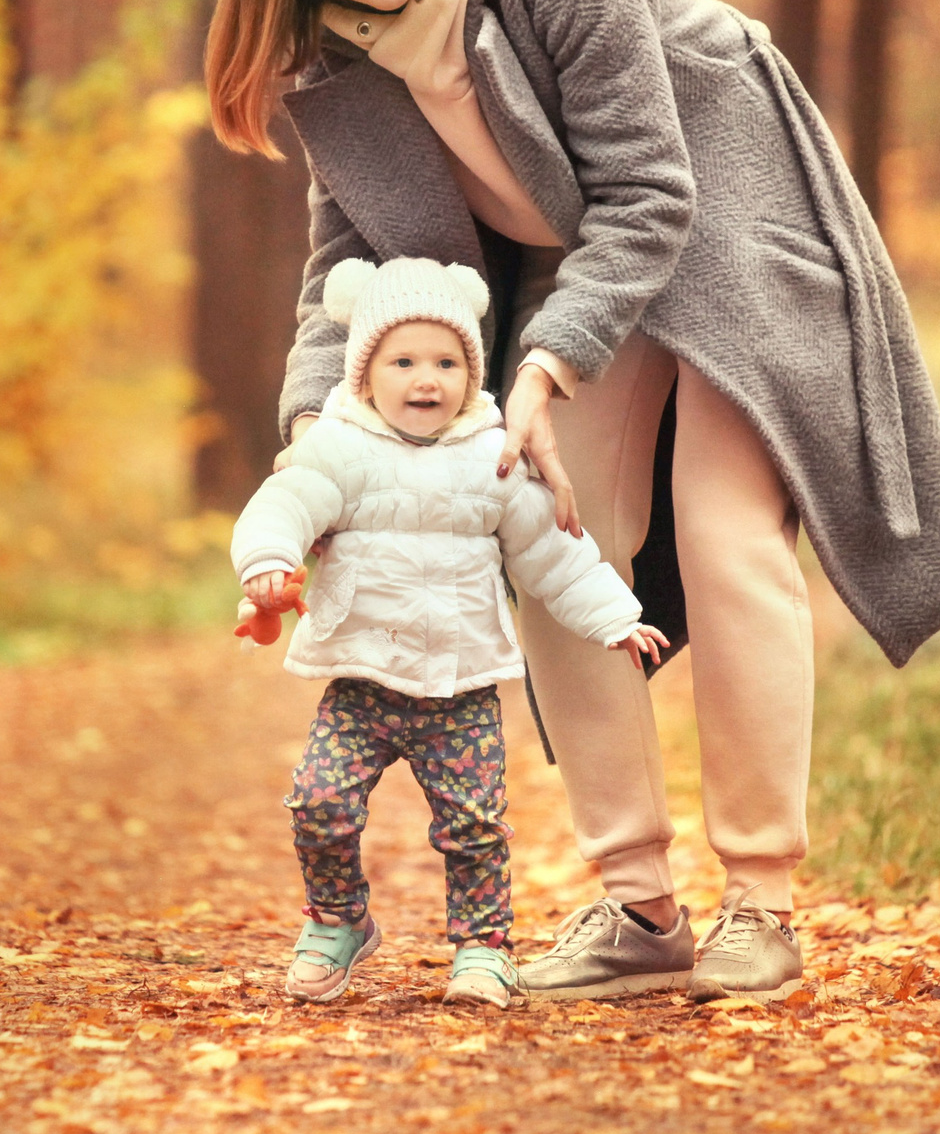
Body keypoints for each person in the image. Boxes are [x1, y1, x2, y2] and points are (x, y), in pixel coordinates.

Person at [204, 0, 940, 1003]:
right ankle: (637, 904)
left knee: (725, 536)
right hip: (581, 259)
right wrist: (312, 428)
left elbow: (652, 189)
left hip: (725, 218)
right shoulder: (338, 67)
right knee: (540, 522)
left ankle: (762, 903)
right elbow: (340, 267)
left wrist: (540, 366)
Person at [230, 255, 670, 1009]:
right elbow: (286, 502)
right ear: (366, 373)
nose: (425, 378)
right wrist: (269, 560)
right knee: (319, 802)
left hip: (460, 690)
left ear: (471, 371)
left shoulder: (493, 459)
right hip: (361, 680)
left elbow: (553, 552)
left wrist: (616, 617)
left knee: (473, 828)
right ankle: (338, 919)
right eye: (402, 361)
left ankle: (482, 947)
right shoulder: (338, 448)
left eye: (446, 361)